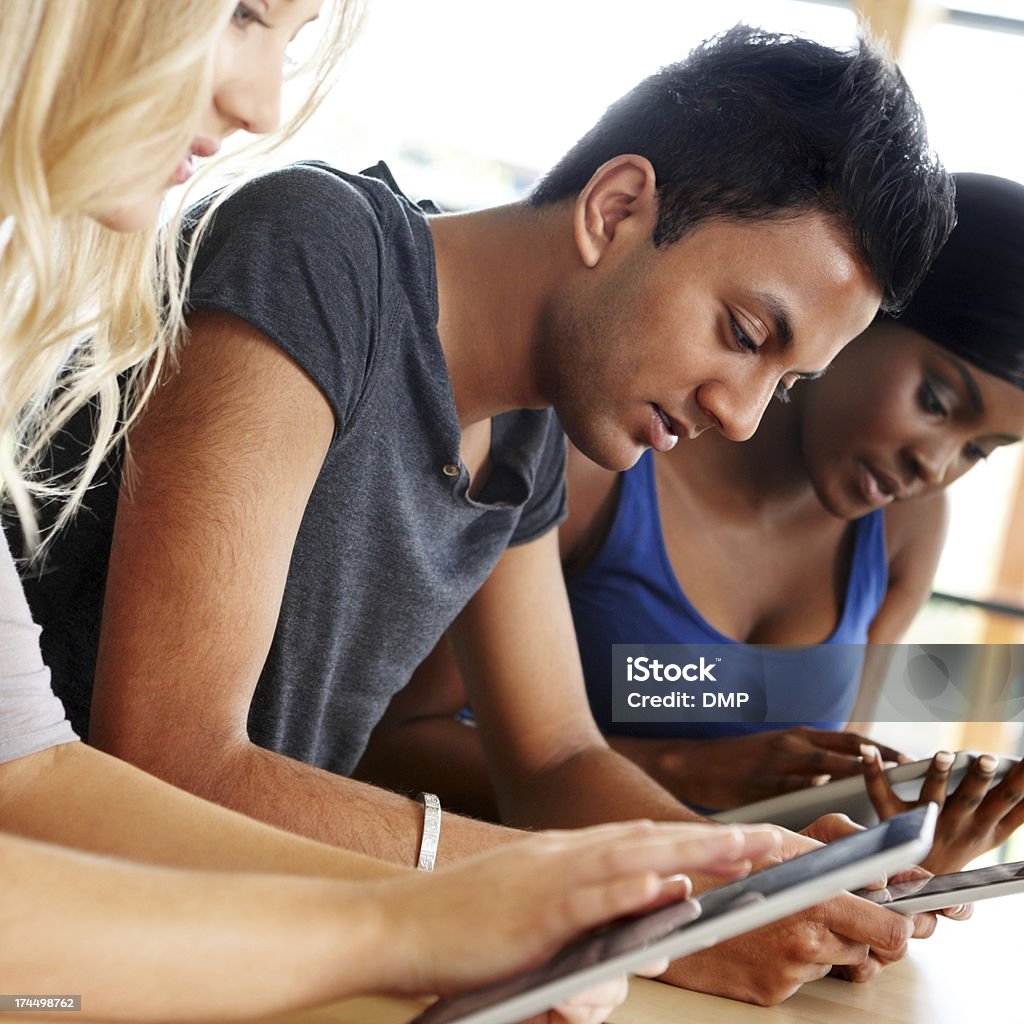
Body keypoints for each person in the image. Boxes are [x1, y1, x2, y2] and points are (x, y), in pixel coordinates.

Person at [10, 26, 954, 1007]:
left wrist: (740, 871)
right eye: (746, 334)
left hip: (239, 951)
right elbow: (172, 759)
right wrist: (616, 916)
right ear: (616, 208)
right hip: (69, 941)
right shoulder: (317, 255)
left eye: (785, 385)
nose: (740, 412)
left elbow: (555, 756)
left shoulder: (528, 435)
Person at [360, 173, 1024, 879]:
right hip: (498, 888)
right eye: (935, 399)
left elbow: (824, 797)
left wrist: (900, 852)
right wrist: (685, 772)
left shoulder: (905, 531)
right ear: (855, 315)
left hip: (707, 927)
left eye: (980, 451)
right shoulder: (601, 454)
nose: (937, 462)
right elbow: (394, 742)